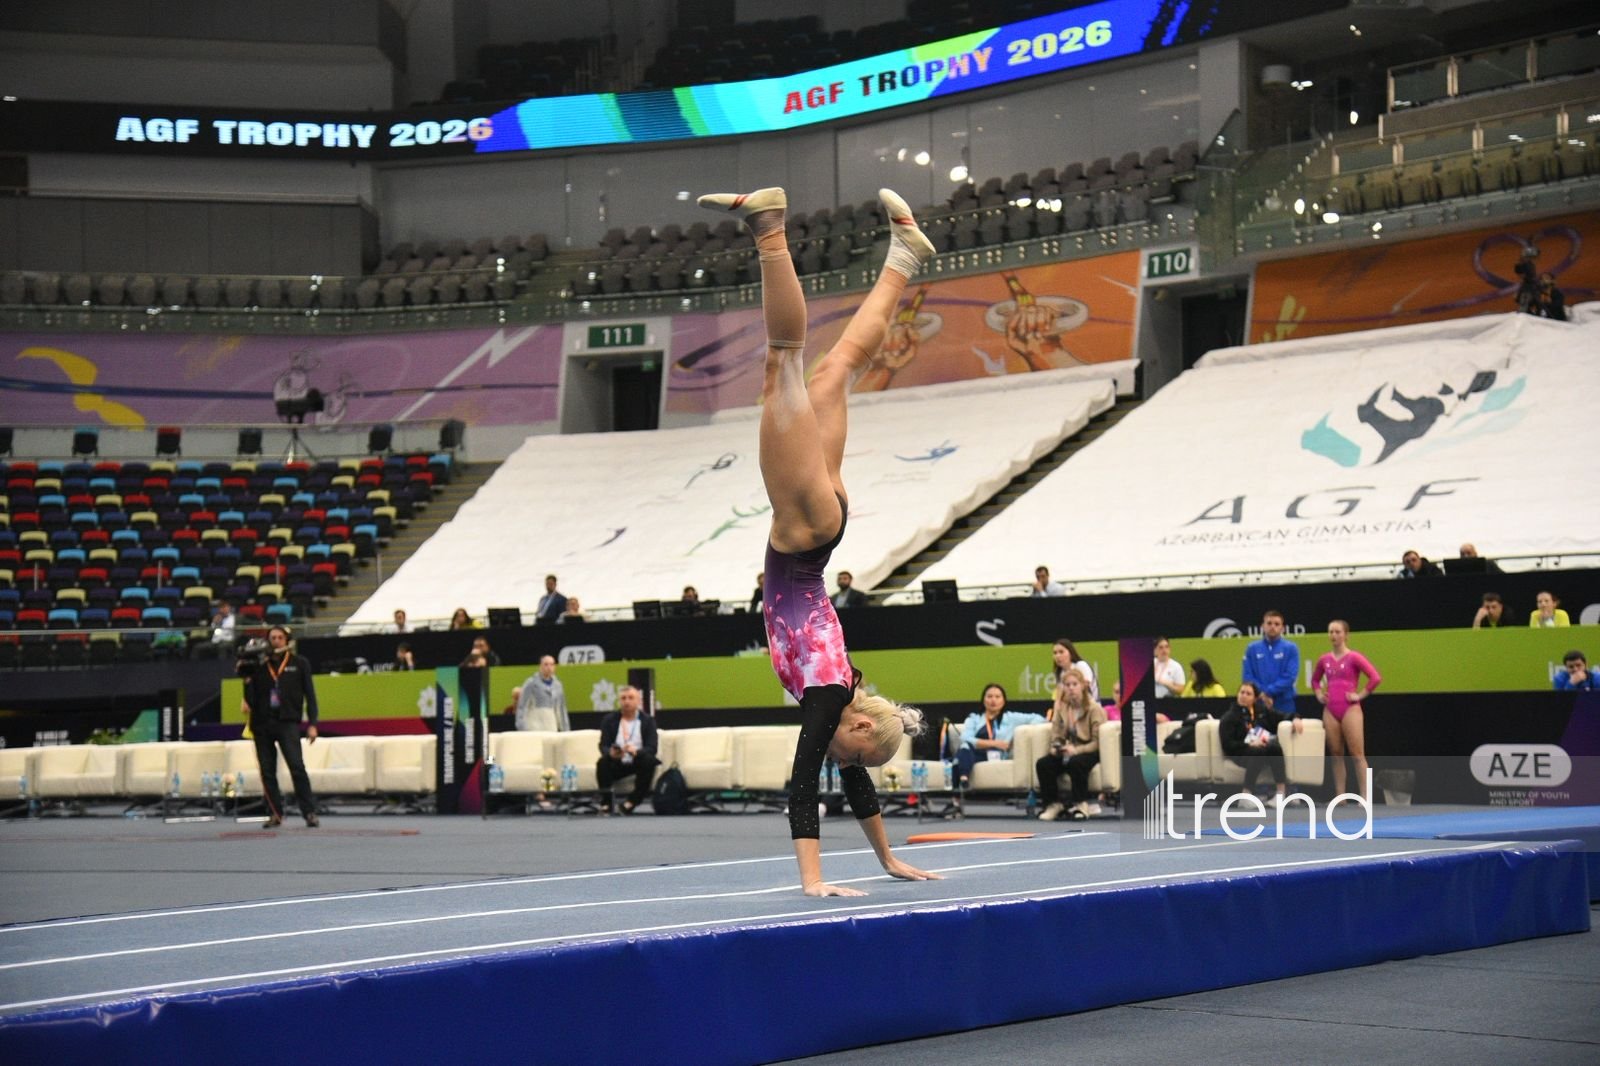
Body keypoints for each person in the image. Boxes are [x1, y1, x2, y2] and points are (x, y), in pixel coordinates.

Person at [700, 182, 939, 896]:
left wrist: (888, 860)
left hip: (823, 528)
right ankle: (770, 227)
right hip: (803, 533)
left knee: (838, 370)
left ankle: (904, 255)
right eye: (858, 757)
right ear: (861, 732)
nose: (849, 766)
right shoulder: (830, 700)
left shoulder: (846, 691)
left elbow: (849, 784)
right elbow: (804, 782)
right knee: (786, 361)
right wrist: (813, 882)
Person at [238, 625, 320, 829]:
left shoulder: (300, 663)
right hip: (262, 723)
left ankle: (309, 812)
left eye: (279, 638)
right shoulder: (258, 665)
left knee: (297, 767)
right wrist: (247, 680)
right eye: (272, 638)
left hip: (288, 722)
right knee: (267, 771)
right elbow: (250, 699)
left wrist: (312, 724)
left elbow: (310, 695)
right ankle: (275, 813)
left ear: (287, 640)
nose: (275, 641)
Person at [1311, 620, 1382, 802]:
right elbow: (1315, 680)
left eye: (1337, 632)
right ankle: (1340, 797)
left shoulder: (1354, 657)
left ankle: (1365, 796)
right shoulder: (1324, 660)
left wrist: (1360, 695)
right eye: (1331, 632)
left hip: (1350, 708)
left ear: (1345, 635)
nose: (1333, 635)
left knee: (1357, 754)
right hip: (1331, 709)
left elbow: (1375, 678)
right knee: (1335, 753)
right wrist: (1319, 694)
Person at [1218, 681, 1303, 807]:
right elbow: (1228, 744)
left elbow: (1282, 716)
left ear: (1254, 698)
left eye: (1248, 694)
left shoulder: (1262, 712)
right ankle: (1246, 794)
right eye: (1242, 692)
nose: (1244, 696)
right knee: (1258, 751)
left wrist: (1295, 718)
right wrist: (1249, 745)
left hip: (1260, 748)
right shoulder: (1229, 717)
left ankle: (1281, 793)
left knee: (1274, 747)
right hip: (1240, 751)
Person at [1035, 671, 1106, 821]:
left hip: (1089, 749)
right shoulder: (1062, 708)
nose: (1071, 688)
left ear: (1082, 686)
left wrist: (1077, 750)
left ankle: (1081, 804)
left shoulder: (1094, 709)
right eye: (1067, 685)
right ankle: (1053, 805)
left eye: (1075, 684)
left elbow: (1097, 742)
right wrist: (1056, 747)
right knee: (1044, 764)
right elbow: (1056, 733)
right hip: (1068, 749)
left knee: (1076, 762)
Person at [954, 683, 1045, 791]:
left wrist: (1016, 736)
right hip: (974, 753)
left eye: (997, 697)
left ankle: (959, 788)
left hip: (997, 755)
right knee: (965, 747)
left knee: (958, 759)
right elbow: (965, 738)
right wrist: (996, 743)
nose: (993, 700)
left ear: (1003, 700)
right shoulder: (974, 718)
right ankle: (963, 779)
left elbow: (1039, 718)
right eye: (989, 696)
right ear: (983, 700)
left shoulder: (1011, 718)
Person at [596, 685, 660, 814]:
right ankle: (606, 803)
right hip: (617, 761)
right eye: (623, 698)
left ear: (638, 701)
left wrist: (636, 751)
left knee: (649, 760)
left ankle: (631, 802)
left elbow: (652, 748)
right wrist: (611, 753)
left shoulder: (648, 721)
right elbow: (603, 745)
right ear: (619, 701)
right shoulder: (609, 720)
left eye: (631, 698)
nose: (627, 701)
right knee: (603, 762)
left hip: (637, 760)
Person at [1241, 610, 1299, 716]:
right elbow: (1248, 677)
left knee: (1284, 731)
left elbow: (1290, 676)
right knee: (1258, 732)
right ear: (1262, 626)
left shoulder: (1291, 648)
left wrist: (1268, 692)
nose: (1273, 627)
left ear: (1283, 628)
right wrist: (1262, 694)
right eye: (1269, 623)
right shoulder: (1252, 649)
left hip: (1284, 702)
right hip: (1258, 702)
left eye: (1277, 624)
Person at [515, 655, 569, 731]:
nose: (549, 667)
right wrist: (522, 728)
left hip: (551, 727)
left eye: (552, 664)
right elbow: (522, 707)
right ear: (540, 666)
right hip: (535, 727)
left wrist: (566, 730)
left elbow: (561, 710)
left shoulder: (558, 686)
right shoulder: (531, 683)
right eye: (546, 664)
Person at [1051, 637, 1099, 703]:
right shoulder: (1060, 673)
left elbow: (1084, 689)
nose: (1058, 656)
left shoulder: (1081, 665)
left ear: (1070, 652)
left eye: (1061, 652)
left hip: (1090, 707)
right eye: (1055, 653)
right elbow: (1059, 698)